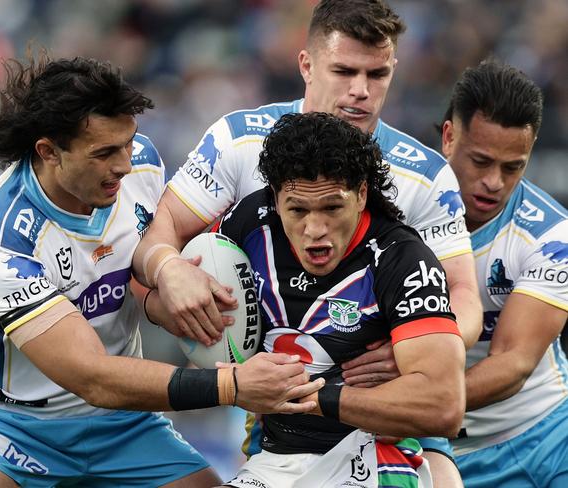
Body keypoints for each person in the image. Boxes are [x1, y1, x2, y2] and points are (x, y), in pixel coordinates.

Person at [0, 52, 324, 488]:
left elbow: (132, 274)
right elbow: (91, 376)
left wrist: (167, 279)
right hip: (12, 423)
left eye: (129, 142)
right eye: (104, 152)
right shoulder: (1, 239)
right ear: (48, 151)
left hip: (121, 424)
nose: (125, 164)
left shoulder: (140, 166)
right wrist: (230, 385)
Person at [132, 0, 481, 483]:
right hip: (279, 409)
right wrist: (169, 279)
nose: (361, 91)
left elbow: (462, 294)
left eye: (377, 74)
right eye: (344, 70)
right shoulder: (239, 142)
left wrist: (415, 344)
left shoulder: (424, 176)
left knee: (442, 478)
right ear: (306, 65)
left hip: (386, 398)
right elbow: (159, 235)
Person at [206, 111, 465, 487]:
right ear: (276, 199)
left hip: (373, 454)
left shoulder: (402, 258)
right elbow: (182, 302)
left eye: (332, 207)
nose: (315, 230)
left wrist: (313, 398)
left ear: (361, 194)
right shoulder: (249, 224)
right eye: (298, 210)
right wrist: (171, 274)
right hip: (277, 457)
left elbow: (445, 407)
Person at [440, 59, 568, 487]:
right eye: (481, 161)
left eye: (513, 167)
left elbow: (513, 364)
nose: (493, 182)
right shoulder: (397, 208)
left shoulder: (552, 236)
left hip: (549, 436)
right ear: (448, 137)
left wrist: (418, 404)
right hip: (444, 454)